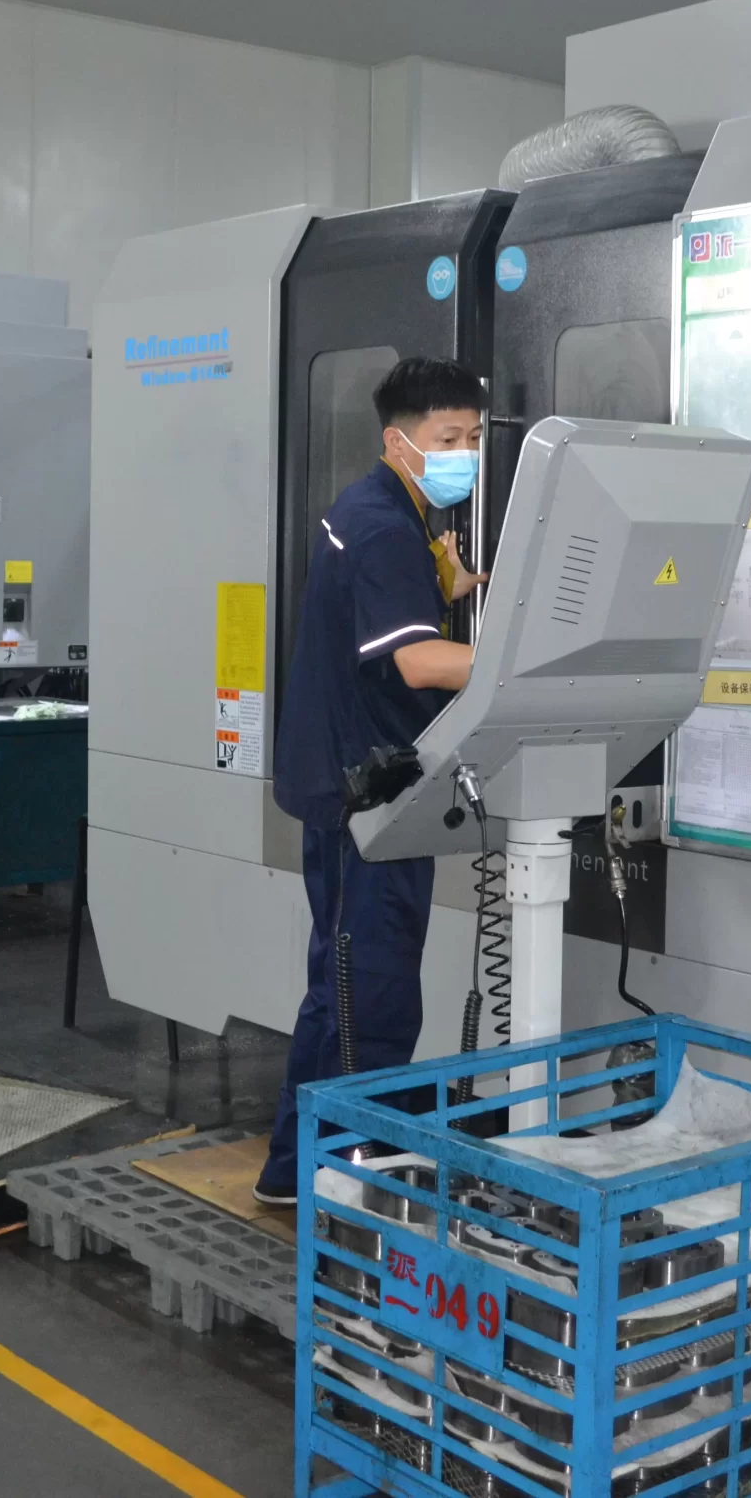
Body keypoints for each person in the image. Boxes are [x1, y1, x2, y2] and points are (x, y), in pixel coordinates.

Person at [253, 356, 488, 1205]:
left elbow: (387, 622)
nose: (464, 453)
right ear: (399, 441)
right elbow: (420, 662)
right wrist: (522, 664)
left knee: (340, 989)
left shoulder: (380, 511)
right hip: (366, 803)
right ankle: (351, 1185)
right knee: (373, 1000)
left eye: (473, 437)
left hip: (349, 786)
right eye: (447, 439)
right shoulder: (388, 528)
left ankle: (296, 1169)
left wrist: (446, 584)